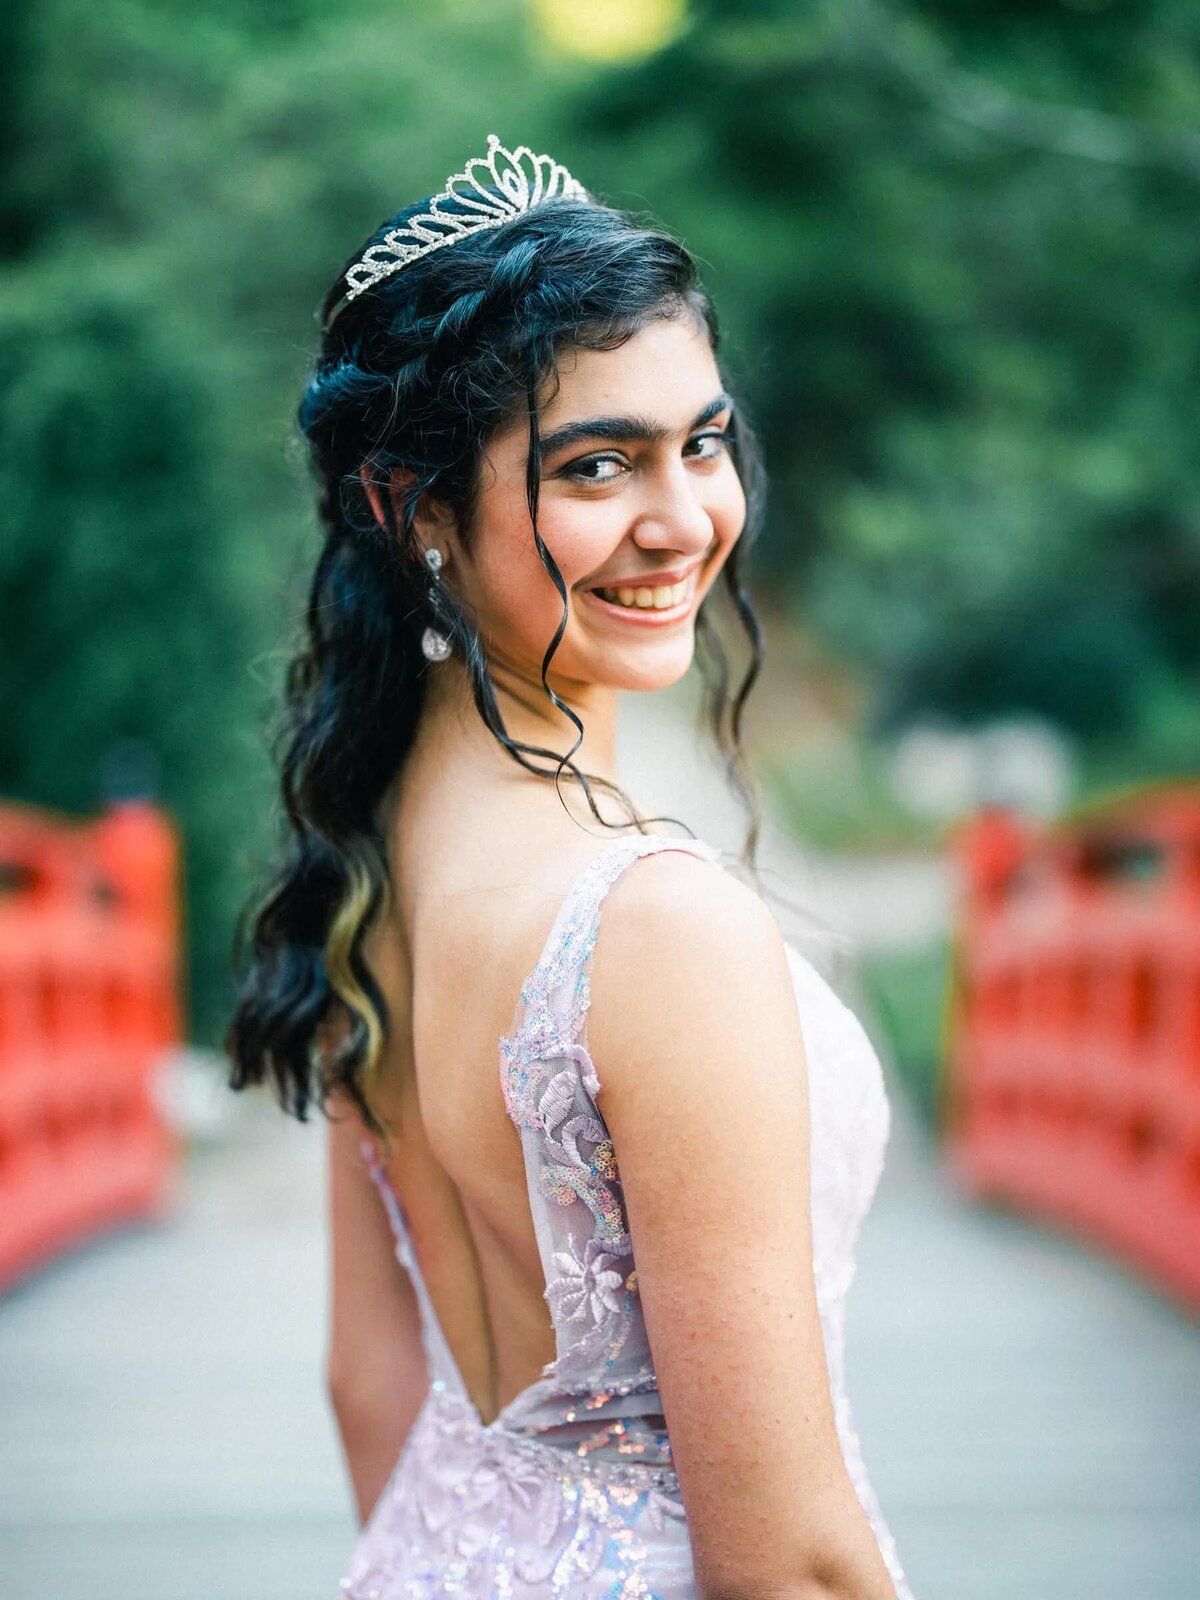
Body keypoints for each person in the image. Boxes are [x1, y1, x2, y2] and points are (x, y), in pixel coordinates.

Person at [226, 133, 915, 1600]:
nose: (683, 523)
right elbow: (785, 1558)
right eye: (597, 465)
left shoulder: (366, 857)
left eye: (703, 442)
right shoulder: (656, 926)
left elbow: (370, 1382)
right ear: (412, 511)